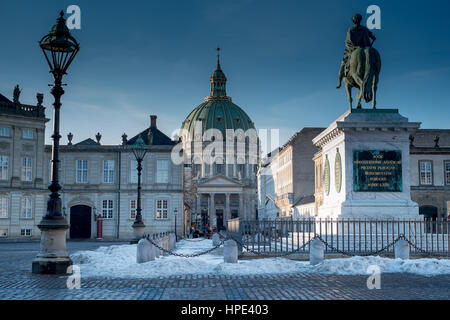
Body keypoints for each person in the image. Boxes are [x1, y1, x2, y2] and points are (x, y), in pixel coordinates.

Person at [337, 14, 376, 89]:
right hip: (366, 47)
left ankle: (339, 82)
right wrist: (372, 38)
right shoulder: (364, 29)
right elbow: (373, 37)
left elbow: (348, 42)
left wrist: (355, 47)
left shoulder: (351, 29)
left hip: (354, 49)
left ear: (353, 21)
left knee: (343, 64)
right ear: (360, 20)